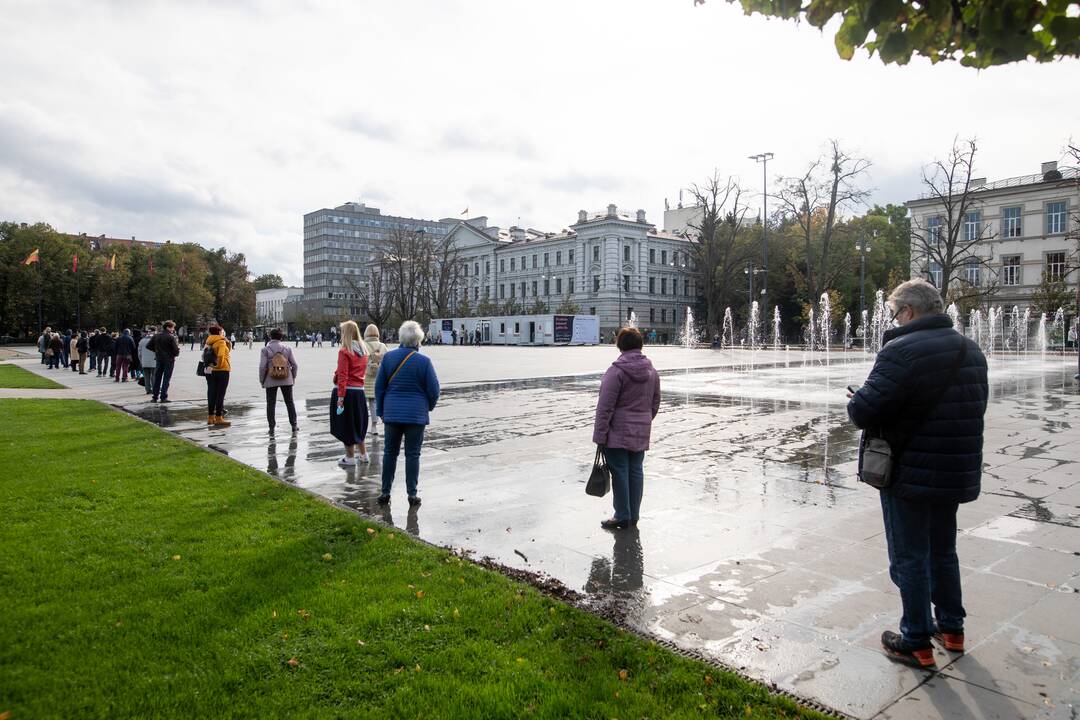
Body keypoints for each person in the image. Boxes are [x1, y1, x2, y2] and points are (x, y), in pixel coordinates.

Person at [847, 279, 988, 669]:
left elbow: (863, 412)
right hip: (955, 468)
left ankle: (915, 640)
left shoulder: (900, 351)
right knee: (943, 550)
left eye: (894, 312)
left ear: (907, 311)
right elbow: (974, 407)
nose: (893, 319)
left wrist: (858, 398)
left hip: (909, 470)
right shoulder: (971, 350)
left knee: (909, 556)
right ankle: (952, 627)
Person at [592, 327, 661, 531]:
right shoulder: (652, 371)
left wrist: (600, 436)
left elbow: (605, 407)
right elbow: (655, 401)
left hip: (617, 432)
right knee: (636, 471)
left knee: (620, 472)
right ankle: (633, 515)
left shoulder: (616, 371)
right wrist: (644, 420)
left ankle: (622, 515)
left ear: (619, 345)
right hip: (641, 431)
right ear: (640, 344)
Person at [374, 320, 440, 506]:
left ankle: (385, 492)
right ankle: (412, 494)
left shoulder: (388, 358)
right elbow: (434, 390)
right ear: (418, 340)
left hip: (392, 413)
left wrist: (381, 412)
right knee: (413, 455)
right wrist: (428, 407)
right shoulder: (424, 362)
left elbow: (379, 388)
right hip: (416, 415)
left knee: (389, 453)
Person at [330, 320, 369, 466]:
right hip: (359, 392)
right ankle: (364, 455)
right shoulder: (363, 351)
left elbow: (343, 376)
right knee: (358, 424)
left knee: (346, 425)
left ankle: (350, 457)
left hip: (347, 392)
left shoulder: (344, 351)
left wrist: (340, 397)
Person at [259, 328, 299, 433]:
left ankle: (271, 427)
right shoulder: (287, 349)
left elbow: (262, 367)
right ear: (281, 337)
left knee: (271, 403)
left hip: (270, 379)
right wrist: (293, 377)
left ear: (270, 337)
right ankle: (294, 425)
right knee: (289, 402)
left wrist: (262, 380)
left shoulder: (265, 350)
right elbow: (294, 365)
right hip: (286, 378)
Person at [362, 323, 389, 438]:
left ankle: (365, 426)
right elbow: (387, 362)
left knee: (364, 403)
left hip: (365, 378)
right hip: (379, 378)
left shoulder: (362, 345)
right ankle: (376, 425)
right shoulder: (383, 346)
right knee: (375, 403)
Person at [205, 325, 232, 427]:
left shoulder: (208, 341)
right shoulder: (221, 342)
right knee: (220, 394)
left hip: (210, 370)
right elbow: (221, 355)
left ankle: (210, 417)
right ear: (220, 332)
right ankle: (219, 417)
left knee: (211, 393)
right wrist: (219, 366)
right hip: (222, 371)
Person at [151, 320, 180, 403]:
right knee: (166, 378)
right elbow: (175, 350)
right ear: (168, 327)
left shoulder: (156, 336)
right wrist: (175, 353)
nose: (173, 329)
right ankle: (163, 397)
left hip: (159, 359)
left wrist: (157, 351)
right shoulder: (171, 337)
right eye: (172, 327)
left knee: (157, 378)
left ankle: (155, 397)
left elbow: (148, 346)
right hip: (169, 360)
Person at [138, 327, 156, 394]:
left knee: (146, 377)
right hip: (154, 361)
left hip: (144, 361)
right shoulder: (155, 340)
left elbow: (139, 353)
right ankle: (155, 389)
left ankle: (148, 389)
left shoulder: (142, 341)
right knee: (154, 376)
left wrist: (141, 361)